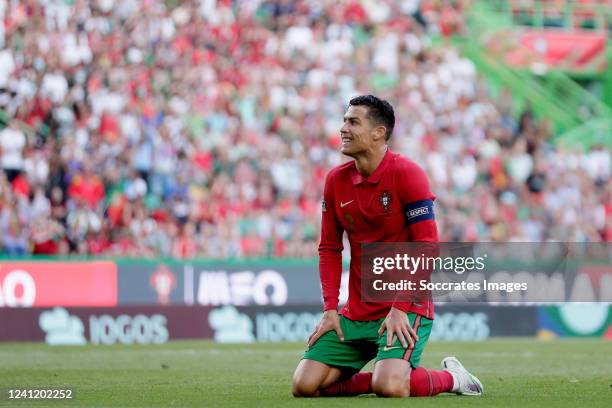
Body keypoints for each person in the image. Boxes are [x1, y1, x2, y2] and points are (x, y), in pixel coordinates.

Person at [291, 95, 483, 398]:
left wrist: (400, 307)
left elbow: (427, 246)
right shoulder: (335, 181)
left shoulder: (407, 174)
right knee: (305, 386)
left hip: (405, 307)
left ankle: (453, 378)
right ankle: (385, 372)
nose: (343, 128)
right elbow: (329, 248)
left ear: (379, 132)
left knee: (390, 387)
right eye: (343, 120)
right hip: (356, 313)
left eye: (353, 122)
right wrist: (330, 309)